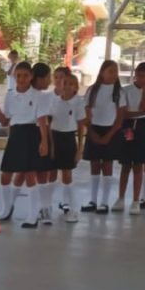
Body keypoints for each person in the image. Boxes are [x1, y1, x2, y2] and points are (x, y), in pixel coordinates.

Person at [0, 62, 51, 228]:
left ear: (31, 77)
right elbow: (5, 121)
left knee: (29, 176)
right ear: (14, 76)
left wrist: (44, 142)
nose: (21, 79)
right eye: (18, 75)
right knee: (5, 175)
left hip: (31, 135)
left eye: (25, 75)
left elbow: (42, 121)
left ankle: (33, 215)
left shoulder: (38, 95)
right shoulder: (10, 94)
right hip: (15, 136)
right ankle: (6, 209)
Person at [81, 60, 126, 215]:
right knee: (94, 165)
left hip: (111, 130)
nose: (114, 74)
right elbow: (86, 112)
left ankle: (104, 202)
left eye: (116, 71)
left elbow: (120, 118)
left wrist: (109, 135)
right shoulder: (92, 90)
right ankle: (92, 200)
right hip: (94, 128)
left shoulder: (119, 92)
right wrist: (91, 131)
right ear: (102, 73)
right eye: (111, 71)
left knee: (107, 166)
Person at [116, 62, 145, 215]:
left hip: (143, 127)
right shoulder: (125, 90)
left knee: (138, 165)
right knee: (126, 164)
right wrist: (141, 112)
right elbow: (125, 113)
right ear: (135, 74)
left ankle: (136, 200)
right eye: (141, 76)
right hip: (128, 127)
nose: (143, 79)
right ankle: (120, 198)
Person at [49, 73, 87, 223]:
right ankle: (45, 207)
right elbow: (49, 123)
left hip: (68, 138)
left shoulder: (78, 102)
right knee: (51, 174)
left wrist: (79, 149)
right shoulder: (54, 101)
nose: (67, 86)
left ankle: (72, 208)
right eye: (65, 83)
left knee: (67, 175)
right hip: (55, 137)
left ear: (76, 87)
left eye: (71, 84)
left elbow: (80, 127)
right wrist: (51, 146)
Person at [30, 63, 57, 225]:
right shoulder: (40, 96)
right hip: (36, 134)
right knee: (33, 174)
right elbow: (43, 121)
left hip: (42, 134)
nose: (50, 80)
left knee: (42, 173)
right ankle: (39, 208)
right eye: (48, 77)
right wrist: (45, 141)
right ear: (40, 78)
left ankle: (44, 207)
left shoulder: (45, 95)